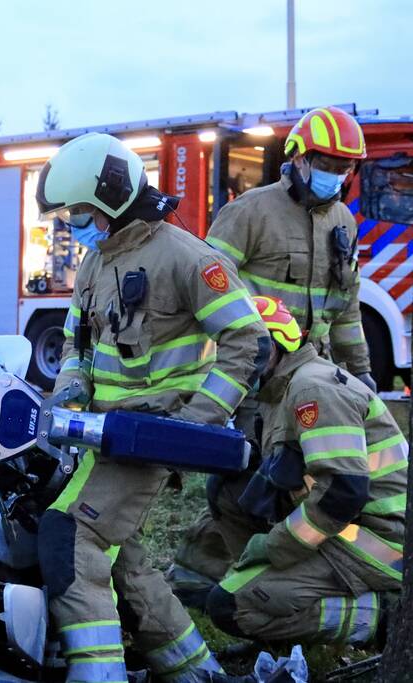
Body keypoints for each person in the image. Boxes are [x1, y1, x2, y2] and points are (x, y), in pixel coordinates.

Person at [37, 133, 270, 682]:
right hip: (99, 435)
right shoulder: (97, 263)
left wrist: (195, 423)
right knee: (131, 564)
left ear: (114, 198)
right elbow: (76, 344)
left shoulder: (186, 257)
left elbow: (248, 340)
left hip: (147, 437)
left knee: (74, 540)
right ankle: (196, 671)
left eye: (81, 212)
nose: (75, 223)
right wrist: (69, 392)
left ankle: (98, 675)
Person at [172, 107, 373, 598]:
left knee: (298, 482)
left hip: (313, 378)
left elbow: (344, 311)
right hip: (256, 381)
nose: (335, 173)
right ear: (298, 160)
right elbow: (204, 294)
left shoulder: (342, 221)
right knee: (240, 484)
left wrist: (362, 375)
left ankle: (269, 579)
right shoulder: (249, 212)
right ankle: (196, 579)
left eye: (344, 165)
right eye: (326, 161)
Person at [207, 295, 406, 647]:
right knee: (228, 487)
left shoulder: (312, 389)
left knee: (233, 607)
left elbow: (343, 493)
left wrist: (275, 546)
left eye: (245, 349)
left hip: (381, 545)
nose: (234, 361)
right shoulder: (278, 389)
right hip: (347, 527)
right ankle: (275, 593)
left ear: (274, 346)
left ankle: (382, 619)